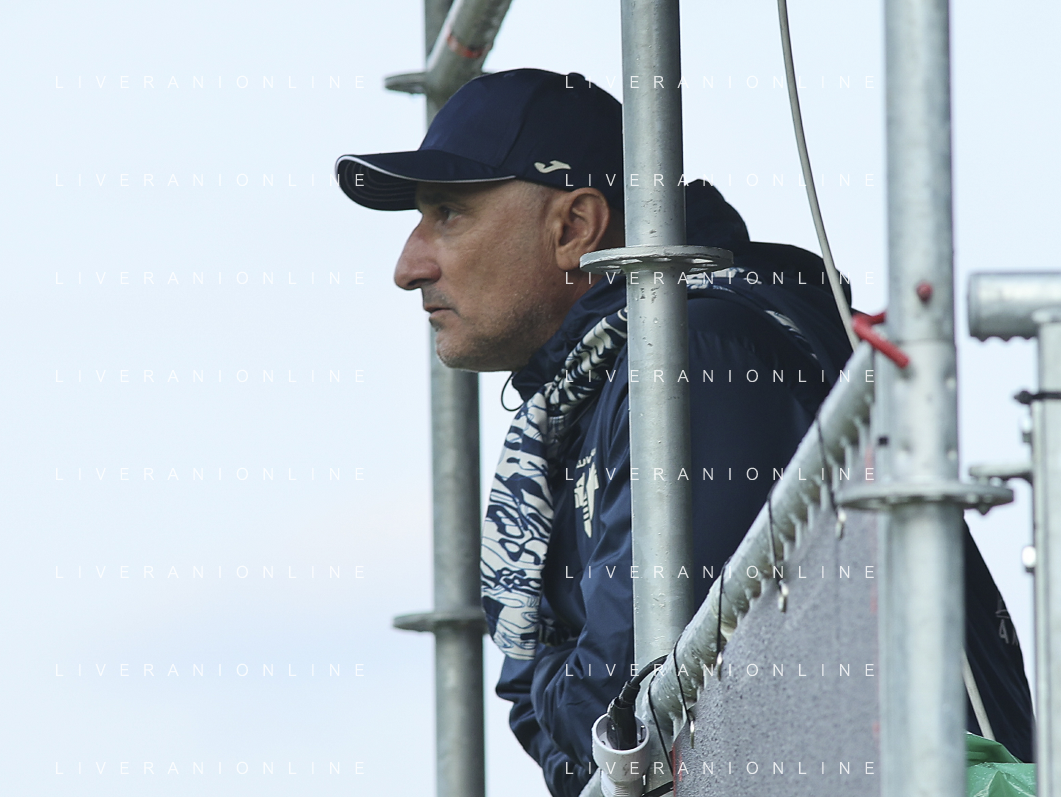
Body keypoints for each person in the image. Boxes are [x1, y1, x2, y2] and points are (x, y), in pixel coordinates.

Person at [336, 68, 1034, 795]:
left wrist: (570, 698)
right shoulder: (591, 395)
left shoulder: (696, 351)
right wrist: (572, 701)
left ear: (573, 228)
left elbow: (628, 707)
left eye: (448, 215)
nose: (408, 267)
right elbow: (565, 728)